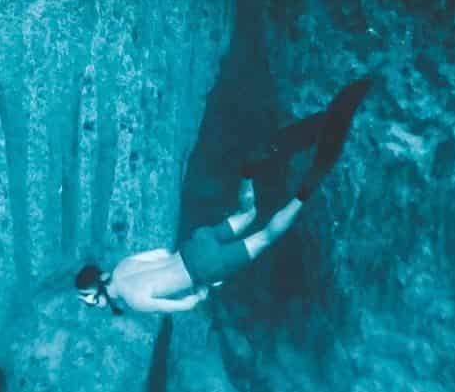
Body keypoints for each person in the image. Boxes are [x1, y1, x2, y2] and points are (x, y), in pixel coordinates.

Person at [75, 78, 373, 315]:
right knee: (249, 216)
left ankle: (308, 186)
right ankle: (250, 171)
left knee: (266, 236)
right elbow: (163, 254)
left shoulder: (135, 300)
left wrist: (201, 292)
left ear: (94, 294)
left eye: (90, 303)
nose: (95, 307)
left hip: (205, 267)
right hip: (195, 244)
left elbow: (183, 305)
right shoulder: (123, 266)